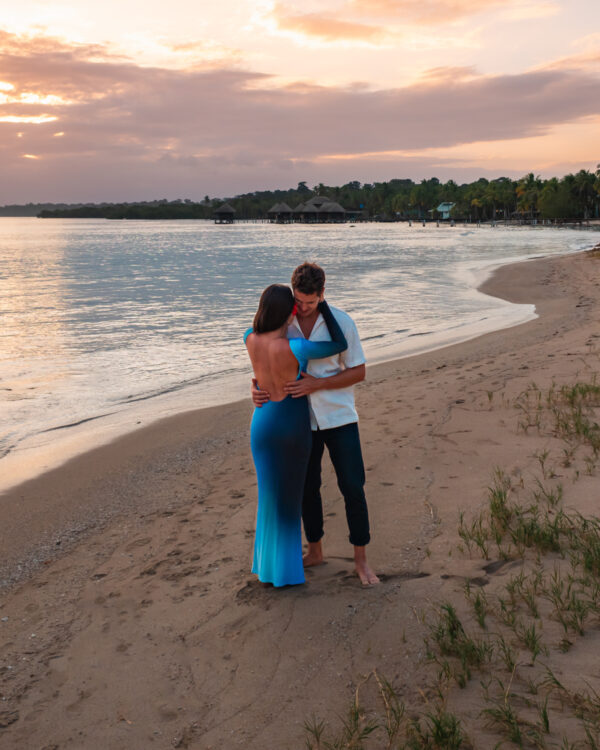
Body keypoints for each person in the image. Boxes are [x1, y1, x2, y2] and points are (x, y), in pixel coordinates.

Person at [253, 263, 379, 585]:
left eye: (310, 302)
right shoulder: (285, 322)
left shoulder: (343, 322)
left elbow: (359, 371)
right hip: (300, 423)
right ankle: (316, 550)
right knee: (308, 489)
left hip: (339, 417)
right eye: (299, 300)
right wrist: (256, 388)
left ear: (323, 294)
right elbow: (265, 360)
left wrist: (317, 384)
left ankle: (361, 561)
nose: (303, 308)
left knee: (352, 485)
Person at [244, 284, 348, 587]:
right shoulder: (296, 347)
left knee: (268, 496)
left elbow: (257, 371)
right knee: (290, 498)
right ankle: (286, 573)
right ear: (290, 311)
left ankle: (267, 568)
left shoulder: (249, 338)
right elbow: (338, 343)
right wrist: (323, 305)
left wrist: (254, 385)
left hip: (262, 422)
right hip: (290, 423)